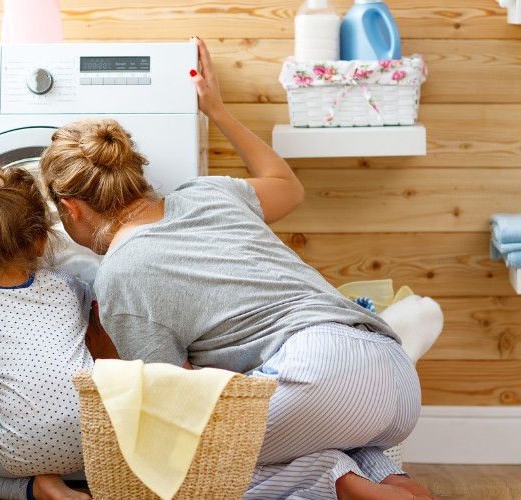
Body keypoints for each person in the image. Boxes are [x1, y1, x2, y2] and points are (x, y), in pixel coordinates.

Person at [38, 37, 434, 500]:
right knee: (296, 425)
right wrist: (218, 110)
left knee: (175, 466)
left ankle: (334, 480)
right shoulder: (209, 193)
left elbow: (177, 399)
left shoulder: (121, 273)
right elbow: (289, 187)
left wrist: (105, 349)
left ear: (73, 208)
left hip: (318, 375)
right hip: (395, 377)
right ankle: (389, 481)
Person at [0, 161, 94, 500]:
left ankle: (42, 488)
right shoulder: (71, 288)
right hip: (96, 440)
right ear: (41, 242)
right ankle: (55, 481)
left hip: (25, 448)